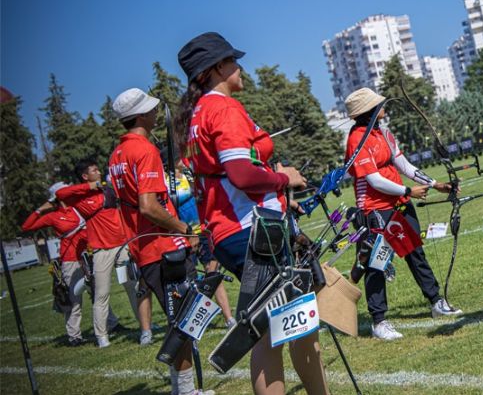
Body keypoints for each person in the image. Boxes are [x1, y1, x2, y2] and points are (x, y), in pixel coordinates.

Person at [175, 31, 328, 395]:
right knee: (287, 330)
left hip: (236, 233)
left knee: (282, 330)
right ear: (216, 69)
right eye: (232, 61)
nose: (240, 67)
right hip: (252, 234)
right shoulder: (222, 108)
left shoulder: (198, 114)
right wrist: (283, 178)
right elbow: (241, 175)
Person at [108, 87, 208, 395]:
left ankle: (183, 389)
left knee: (180, 320)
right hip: (163, 248)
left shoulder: (117, 154)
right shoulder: (143, 149)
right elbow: (148, 206)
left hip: (144, 248)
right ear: (139, 116)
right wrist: (183, 228)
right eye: (150, 110)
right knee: (183, 323)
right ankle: (188, 391)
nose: (155, 113)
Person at [343, 87, 462, 341]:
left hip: (398, 203)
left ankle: (436, 302)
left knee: (414, 252)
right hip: (374, 208)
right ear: (369, 110)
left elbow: (404, 164)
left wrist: (434, 184)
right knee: (377, 262)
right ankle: (378, 322)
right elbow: (374, 180)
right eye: (379, 103)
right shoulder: (357, 138)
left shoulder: (383, 133)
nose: (384, 105)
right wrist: (408, 189)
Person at [55, 160, 138, 347]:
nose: (99, 172)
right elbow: (60, 193)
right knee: (102, 294)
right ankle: (102, 337)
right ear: (85, 176)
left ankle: (144, 325)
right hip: (101, 252)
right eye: (94, 170)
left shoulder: (107, 189)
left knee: (132, 286)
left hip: (121, 248)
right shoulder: (80, 197)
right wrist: (88, 186)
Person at [169, 158, 236, 328]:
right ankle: (194, 319)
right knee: (190, 280)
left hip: (203, 230)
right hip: (185, 235)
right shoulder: (166, 182)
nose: (182, 161)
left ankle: (229, 318)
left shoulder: (189, 176)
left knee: (212, 274)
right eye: (178, 159)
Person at [21, 182, 89, 346]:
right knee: (74, 299)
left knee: (99, 292)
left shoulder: (79, 208)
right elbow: (26, 226)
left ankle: (111, 323)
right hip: (70, 260)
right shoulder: (53, 216)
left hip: (88, 256)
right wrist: (40, 209)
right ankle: (74, 335)